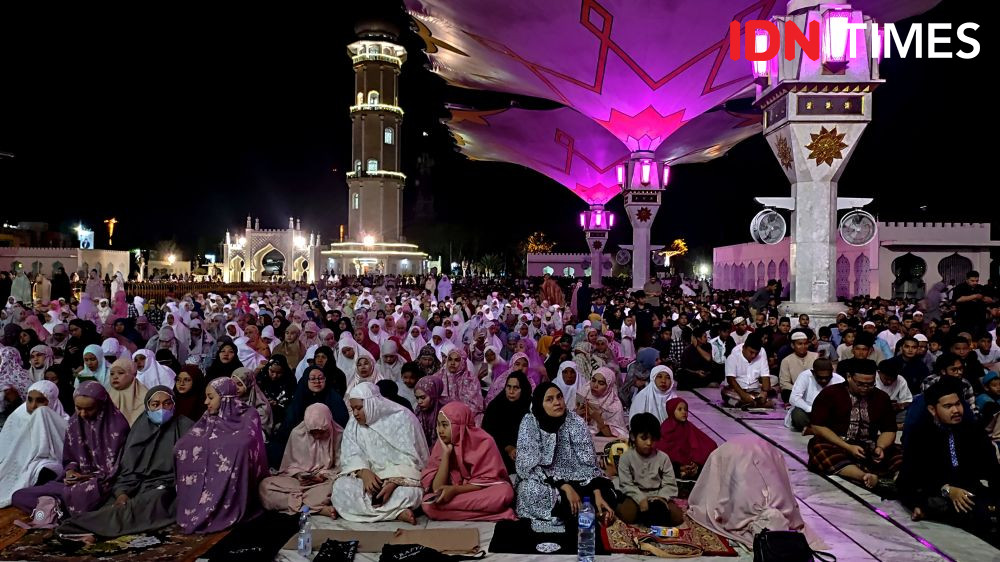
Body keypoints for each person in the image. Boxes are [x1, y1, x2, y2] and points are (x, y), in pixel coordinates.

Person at [57, 386, 193, 538]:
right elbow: (127, 469)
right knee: (112, 505)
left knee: (140, 507)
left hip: (165, 488)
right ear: (147, 406)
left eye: (167, 403)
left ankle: (78, 527)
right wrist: (122, 492)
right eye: (155, 404)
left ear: (174, 404)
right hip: (134, 484)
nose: (161, 409)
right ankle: (83, 527)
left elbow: (190, 469)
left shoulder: (186, 427)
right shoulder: (140, 427)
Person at [898, 379, 1000, 545]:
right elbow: (907, 480)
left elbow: (992, 469)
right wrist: (947, 489)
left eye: (958, 404)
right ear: (932, 409)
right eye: (948, 406)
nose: (956, 410)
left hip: (970, 491)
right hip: (936, 492)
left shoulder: (972, 430)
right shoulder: (921, 435)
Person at [11, 381, 130, 516]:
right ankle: (57, 507)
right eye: (78, 408)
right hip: (71, 483)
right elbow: (70, 458)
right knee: (19, 496)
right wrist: (71, 471)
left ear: (102, 406)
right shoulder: (75, 423)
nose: (82, 414)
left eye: (89, 409)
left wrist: (85, 477)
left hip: (100, 485)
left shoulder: (117, 428)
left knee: (84, 497)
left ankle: (54, 509)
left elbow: (115, 471)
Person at [687, 435, 823, 550]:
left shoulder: (749, 511)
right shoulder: (784, 509)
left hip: (751, 450)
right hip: (749, 450)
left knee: (729, 484)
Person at [515, 382, 616, 532]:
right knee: (529, 490)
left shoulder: (575, 422)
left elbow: (589, 463)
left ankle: (575, 510)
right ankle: (578, 511)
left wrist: (596, 492)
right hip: (544, 481)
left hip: (579, 480)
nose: (557, 402)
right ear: (539, 403)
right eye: (549, 399)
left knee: (607, 493)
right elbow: (526, 466)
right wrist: (563, 486)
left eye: (559, 397)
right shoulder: (530, 422)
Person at [175, 377, 269, 533]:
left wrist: (219, 447)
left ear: (225, 397)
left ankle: (222, 508)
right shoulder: (210, 416)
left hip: (235, 475)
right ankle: (195, 507)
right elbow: (189, 440)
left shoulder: (249, 414)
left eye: (211, 397)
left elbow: (245, 443)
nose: (206, 402)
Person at [332, 382, 429, 524]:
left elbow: (413, 460)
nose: (356, 414)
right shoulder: (353, 423)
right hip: (368, 478)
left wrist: (393, 482)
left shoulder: (403, 417)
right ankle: (396, 512)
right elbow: (350, 454)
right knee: (340, 489)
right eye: (353, 409)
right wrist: (364, 472)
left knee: (411, 494)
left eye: (359, 408)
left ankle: (386, 510)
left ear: (372, 404)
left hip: (400, 479)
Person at [807, 359, 902, 492]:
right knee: (817, 447)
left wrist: (880, 447)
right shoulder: (830, 393)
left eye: (870, 384)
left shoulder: (881, 397)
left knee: (901, 452)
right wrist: (848, 447)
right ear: (849, 377)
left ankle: (899, 480)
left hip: (869, 446)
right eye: (860, 384)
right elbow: (818, 426)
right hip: (839, 444)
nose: (865, 388)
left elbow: (889, 429)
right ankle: (864, 476)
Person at [420, 401, 516, 521]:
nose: (440, 430)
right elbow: (437, 488)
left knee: (504, 493)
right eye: (438, 425)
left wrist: (455, 490)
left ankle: (458, 512)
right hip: (459, 496)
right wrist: (446, 454)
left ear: (459, 425)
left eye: (445, 425)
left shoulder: (484, 441)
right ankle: (498, 514)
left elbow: (491, 481)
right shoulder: (442, 444)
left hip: (477, 492)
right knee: (428, 505)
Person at [259, 403, 342, 517]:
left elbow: (342, 467)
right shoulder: (298, 433)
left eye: (322, 432)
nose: (317, 436)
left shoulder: (339, 434)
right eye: (313, 432)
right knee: (265, 487)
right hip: (297, 483)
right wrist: (300, 475)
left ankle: (304, 506)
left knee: (339, 487)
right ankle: (315, 508)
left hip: (324, 484)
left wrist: (323, 475)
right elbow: (288, 467)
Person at [0, 380, 68, 507]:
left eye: (40, 401)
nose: (33, 406)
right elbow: (6, 446)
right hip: (18, 460)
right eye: (29, 400)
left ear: (51, 400)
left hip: (45, 462)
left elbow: (63, 454)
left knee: (47, 469)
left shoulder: (62, 420)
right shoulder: (18, 416)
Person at [615, 412, 684, 527]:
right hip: (635, 495)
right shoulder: (626, 458)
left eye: (653, 439)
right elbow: (627, 484)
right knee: (628, 515)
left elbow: (670, 484)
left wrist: (661, 498)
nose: (649, 443)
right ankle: (617, 505)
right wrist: (640, 499)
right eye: (644, 438)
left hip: (657, 496)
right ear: (633, 436)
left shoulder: (663, 458)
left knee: (677, 517)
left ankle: (648, 514)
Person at [481, 371, 532, 476]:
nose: (511, 391)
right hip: (497, 454)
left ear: (523, 389)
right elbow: (487, 434)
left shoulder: (530, 407)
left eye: (516, 388)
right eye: (508, 387)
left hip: (524, 454)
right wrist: (507, 447)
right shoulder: (495, 406)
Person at [785, 358, 844, 432]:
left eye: (827, 378)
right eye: (820, 378)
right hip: (809, 413)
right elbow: (794, 398)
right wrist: (810, 409)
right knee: (798, 415)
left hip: (830, 415)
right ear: (813, 373)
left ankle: (815, 430)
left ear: (832, 372)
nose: (824, 380)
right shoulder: (805, 376)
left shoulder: (840, 380)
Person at [722, 334, 774, 408]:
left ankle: (749, 403)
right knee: (726, 393)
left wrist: (764, 393)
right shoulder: (733, 355)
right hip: (737, 391)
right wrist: (744, 396)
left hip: (755, 391)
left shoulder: (762, 353)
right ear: (744, 347)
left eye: (756, 353)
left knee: (772, 397)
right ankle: (753, 403)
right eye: (751, 352)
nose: (753, 356)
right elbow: (731, 380)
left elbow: (765, 376)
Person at [575, 366, 628, 439]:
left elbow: (617, 435)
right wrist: (577, 415)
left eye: (601, 383)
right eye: (593, 380)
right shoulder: (584, 393)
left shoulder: (614, 405)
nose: (595, 385)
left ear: (608, 386)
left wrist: (598, 419)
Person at [436, 348, 485, 424]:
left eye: (456, 360)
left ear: (463, 362)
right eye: (450, 359)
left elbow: (475, 405)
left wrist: (457, 414)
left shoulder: (471, 379)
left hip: (464, 415)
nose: (452, 363)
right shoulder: (439, 376)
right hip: (443, 414)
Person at [232, 366, 274, 438]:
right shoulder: (229, 399)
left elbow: (261, 426)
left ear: (248, 384)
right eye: (233, 384)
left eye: (240, 384)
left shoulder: (262, 405)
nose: (236, 388)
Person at [778, 331, 817, 402]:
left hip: (814, 390)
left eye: (805, 344)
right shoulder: (786, 361)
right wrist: (799, 390)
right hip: (796, 391)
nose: (803, 346)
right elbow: (784, 383)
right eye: (800, 344)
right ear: (793, 345)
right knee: (785, 393)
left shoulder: (816, 357)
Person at [107, 357, 148, 425]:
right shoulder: (106, 397)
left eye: (120, 373)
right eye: (112, 374)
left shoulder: (145, 398)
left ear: (132, 374)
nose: (115, 377)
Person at [413, 375, 451, 447]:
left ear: (433, 394)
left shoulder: (447, 409)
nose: (419, 402)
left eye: (423, 397)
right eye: (417, 398)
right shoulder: (419, 411)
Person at [876, 359, 913, 429]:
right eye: (886, 379)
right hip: (875, 411)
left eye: (892, 379)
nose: (889, 382)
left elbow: (908, 401)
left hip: (894, 412)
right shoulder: (872, 379)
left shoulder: (900, 379)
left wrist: (899, 406)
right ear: (879, 373)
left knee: (911, 413)